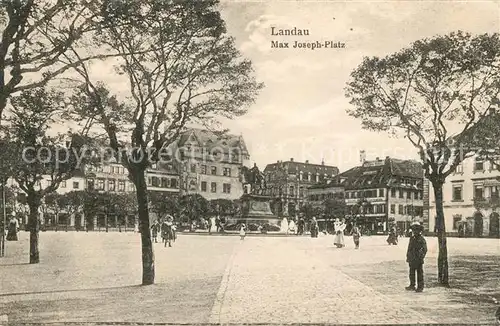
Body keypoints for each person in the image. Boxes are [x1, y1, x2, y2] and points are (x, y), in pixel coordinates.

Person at [406, 222, 427, 292]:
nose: (415, 232)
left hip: (418, 258)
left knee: (419, 273)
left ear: (419, 231)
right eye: (414, 230)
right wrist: (408, 256)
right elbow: (409, 248)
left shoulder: (421, 239)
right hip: (412, 258)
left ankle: (420, 287)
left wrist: (421, 256)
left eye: (416, 230)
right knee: (411, 273)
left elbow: (425, 249)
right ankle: (412, 285)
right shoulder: (411, 238)